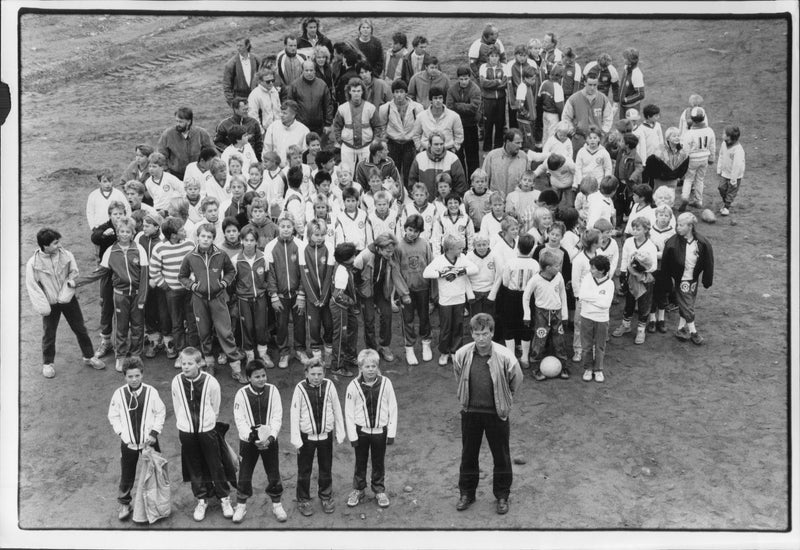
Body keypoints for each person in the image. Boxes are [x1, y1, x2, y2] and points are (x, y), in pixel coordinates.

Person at [452, 313, 522, 515]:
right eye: (477, 334)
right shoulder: (462, 354)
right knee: (468, 455)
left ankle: (502, 496)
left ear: (492, 333)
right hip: (471, 412)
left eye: (485, 333)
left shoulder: (505, 356)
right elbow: (459, 375)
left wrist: (505, 399)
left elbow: (516, 379)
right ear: (472, 334)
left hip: (496, 414)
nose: (481, 338)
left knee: (501, 456)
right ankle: (467, 493)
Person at [26, 228, 106, 378]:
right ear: (45, 245)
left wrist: (66, 292)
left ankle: (89, 356)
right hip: (50, 303)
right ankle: (48, 363)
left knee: (80, 328)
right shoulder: (33, 263)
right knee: (49, 333)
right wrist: (43, 306)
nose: (59, 245)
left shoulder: (66, 255)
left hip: (68, 299)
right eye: (55, 243)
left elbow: (73, 273)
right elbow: (33, 286)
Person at [171, 346, 234, 522]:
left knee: (216, 464)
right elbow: (177, 406)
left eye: (190, 363)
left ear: (199, 364)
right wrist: (185, 423)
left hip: (207, 430)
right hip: (187, 432)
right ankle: (201, 499)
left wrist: (208, 423)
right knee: (194, 466)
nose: (185, 367)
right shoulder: (176, 381)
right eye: (183, 363)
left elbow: (215, 406)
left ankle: (224, 498)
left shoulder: (211, 382)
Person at [178, 223, 245, 381]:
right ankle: (209, 363)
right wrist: (193, 286)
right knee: (204, 332)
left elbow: (231, 271)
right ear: (197, 237)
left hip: (218, 299)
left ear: (213, 238)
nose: (206, 239)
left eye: (209, 237)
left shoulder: (220, 255)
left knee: (225, 332)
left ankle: (236, 367)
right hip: (199, 299)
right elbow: (182, 276)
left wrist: (223, 283)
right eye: (203, 236)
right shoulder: (190, 257)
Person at [107, 357, 166, 521]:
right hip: (129, 444)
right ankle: (125, 503)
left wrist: (154, 433)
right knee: (127, 473)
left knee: (155, 472)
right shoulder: (118, 394)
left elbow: (160, 412)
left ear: (142, 375)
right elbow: (113, 416)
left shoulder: (151, 392)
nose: (134, 380)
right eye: (130, 376)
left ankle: (157, 503)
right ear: (124, 376)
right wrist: (122, 434)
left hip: (150, 442)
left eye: (137, 376)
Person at [231, 359, 287, 524]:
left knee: (273, 472)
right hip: (249, 443)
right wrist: (252, 438)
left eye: (263, 375)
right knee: (244, 473)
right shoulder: (241, 394)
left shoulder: (273, 390)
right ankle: (241, 505)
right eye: (257, 376)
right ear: (248, 378)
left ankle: (277, 504)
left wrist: (270, 438)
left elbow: (277, 416)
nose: (262, 379)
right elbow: (239, 420)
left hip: (269, 442)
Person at [290, 359, 346, 516]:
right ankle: (303, 499)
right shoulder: (300, 388)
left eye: (319, 374)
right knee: (304, 470)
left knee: (326, 468)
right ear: (306, 373)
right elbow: (294, 415)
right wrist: (296, 439)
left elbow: (337, 408)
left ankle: (326, 496)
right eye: (313, 374)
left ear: (324, 373)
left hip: (325, 437)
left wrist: (340, 432)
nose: (316, 377)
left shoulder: (329, 385)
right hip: (306, 438)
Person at [344, 349, 398, 509]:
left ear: (377, 366)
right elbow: (349, 412)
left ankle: (379, 489)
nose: (371, 369)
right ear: (360, 367)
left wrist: (391, 432)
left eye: (373, 366)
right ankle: (358, 489)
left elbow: (393, 408)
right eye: (367, 366)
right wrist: (352, 435)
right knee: (360, 461)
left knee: (378, 461)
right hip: (361, 432)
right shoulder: (353, 386)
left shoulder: (386, 383)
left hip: (380, 432)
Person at [149, 216, 198, 368]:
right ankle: (181, 354)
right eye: (181, 230)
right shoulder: (160, 249)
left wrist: (192, 282)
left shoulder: (190, 244)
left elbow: (196, 265)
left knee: (192, 322)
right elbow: (154, 271)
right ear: (173, 235)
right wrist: (166, 286)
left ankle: (194, 353)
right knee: (176, 324)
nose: (184, 231)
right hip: (172, 293)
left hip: (189, 291)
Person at [354, 233, 410, 361]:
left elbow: (396, 274)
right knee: (369, 319)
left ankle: (384, 346)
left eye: (392, 251)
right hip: (366, 289)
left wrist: (404, 294)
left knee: (387, 315)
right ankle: (371, 350)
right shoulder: (365, 255)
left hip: (382, 289)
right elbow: (355, 272)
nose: (390, 254)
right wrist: (360, 288)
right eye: (387, 251)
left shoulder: (391, 255)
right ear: (379, 248)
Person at [423, 235, 478, 366]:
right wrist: (442, 274)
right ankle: (444, 352)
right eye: (459, 248)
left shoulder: (462, 259)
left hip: (459, 299)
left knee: (458, 326)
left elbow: (475, 269)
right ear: (450, 249)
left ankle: (455, 351)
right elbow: (426, 273)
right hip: (445, 301)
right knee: (446, 327)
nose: (462, 250)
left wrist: (459, 271)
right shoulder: (439, 260)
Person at [661, 212, 714, 345]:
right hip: (681, 279)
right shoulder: (672, 243)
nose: (677, 227)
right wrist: (667, 281)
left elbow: (708, 261)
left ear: (690, 226)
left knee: (688, 304)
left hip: (693, 279)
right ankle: (693, 332)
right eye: (677, 224)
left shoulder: (701, 242)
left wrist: (707, 279)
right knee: (687, 305)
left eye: (681, 225)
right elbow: (665, 265)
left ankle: (680, 328)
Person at [266, 212, 310, 369]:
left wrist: (302, 294)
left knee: (299, 323)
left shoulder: (301, 245)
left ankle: (300, 350)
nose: (285, 229)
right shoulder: (270, 247)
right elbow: (270, 273)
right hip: (280, 295)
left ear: (293, 228)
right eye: (282, 226)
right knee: (281, 324)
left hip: (297, 294)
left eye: (288, 226)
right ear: (278, 227)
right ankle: (284, 352)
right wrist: (273, 295)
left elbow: (305, 273)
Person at [488, 233, 538, 363]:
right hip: (528, 298)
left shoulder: (510, 263)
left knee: (509, 324)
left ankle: (511, 357)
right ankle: (525, 358)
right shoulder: (535, 264)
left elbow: (505, 282)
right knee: (526, 324)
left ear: (517, 247)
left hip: (511, 296)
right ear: (532, 248)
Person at [522, 249, 569, 379]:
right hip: (541, 314)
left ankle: (563, 365)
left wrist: (564, 314)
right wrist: (527, 314)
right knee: (539, 340)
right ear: (548, 268)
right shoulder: (536, 279)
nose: (559, 268)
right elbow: (526, 296)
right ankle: (536, 367)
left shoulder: (558, 276)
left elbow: (562, 294)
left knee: (559, 339)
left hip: (557, 313)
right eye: (557, 266)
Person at [612, 217, 658, 345]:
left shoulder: (651, 246)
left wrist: (641, 266)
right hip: (631, 277)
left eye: (639, 229)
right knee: (629, 302)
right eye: (634, 228)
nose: (635, 231)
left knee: (644, 304)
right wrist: (622, 273)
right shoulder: (628, 242)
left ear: (646, 230)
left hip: (644, 278)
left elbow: (653, 265)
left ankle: (641, 330)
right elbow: (625, 258)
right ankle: (626, 325)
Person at [380, 79, 425, 187]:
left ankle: (409, 193)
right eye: (396, 92)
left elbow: (421, 127)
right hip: (393, 143)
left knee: (410, 173)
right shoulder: (385, 108)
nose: (399, 95)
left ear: (406, 92)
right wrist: (383, 143)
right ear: (393, 93)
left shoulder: (417, 108)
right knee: (391, 172)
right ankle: (393, 194)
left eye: (401, 92)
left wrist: (419, 145)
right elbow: (382, 126)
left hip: (410, 144)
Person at [577, 254, 614, 382]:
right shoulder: (587, 278)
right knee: (586, 345)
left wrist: (590, 298)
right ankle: (588, 368)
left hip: (602, 319)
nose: (590, 270)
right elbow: (582, 295)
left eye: (593, 268)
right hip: (586, 316)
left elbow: (605, 304)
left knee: (600, 345)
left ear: (602, 270)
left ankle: (598, 369)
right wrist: (598, 298)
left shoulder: (610, 284)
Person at [333, 78, 382, 172]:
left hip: (366, 146)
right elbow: (337, 126)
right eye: (354, 91)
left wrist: (373, 143)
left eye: (359, 91)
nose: (356, 93)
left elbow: (377, 127)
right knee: (347, 172)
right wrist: (340, 141)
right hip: (348, 146)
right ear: (349, 92)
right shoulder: (342, 108)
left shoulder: (370, 108)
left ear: (363, 91)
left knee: (368, 172)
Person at [562, 70, 614, 156]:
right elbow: (566, 117)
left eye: (595, 85)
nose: (592, 88)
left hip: (597, 139)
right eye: (590, 85)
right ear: (585, 83)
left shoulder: (603, 99)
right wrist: (572, 131)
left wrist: (603, 132)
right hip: (579, 138)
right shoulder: (574, 99)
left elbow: (608, 117)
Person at [157, 106, 214, 180]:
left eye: (181, 122)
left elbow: (211, 153)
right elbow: (161, 156)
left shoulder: (201, 133)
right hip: (175, 175)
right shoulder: (168, 134)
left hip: (198, 174)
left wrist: (205, 169)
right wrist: (166, 171)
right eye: (176, 121)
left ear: (189, 121)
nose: (178, 124)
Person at [447, 66, 482, 178]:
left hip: (471, 126)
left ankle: (474, 180)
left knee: (472, 155)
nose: (463, 81)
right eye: (461, 79)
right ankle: (461, 180)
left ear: (469, 78)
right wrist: (464, 106)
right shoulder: (452, 89)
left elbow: (473, 108)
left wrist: (458, 105)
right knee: (458, 155)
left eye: (466, 79)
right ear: (458, 78)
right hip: (456, 127)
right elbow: (449, 107)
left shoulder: (475, 89)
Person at [408, 131, 468, 198]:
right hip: (425, 204)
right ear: (430, 144)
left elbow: (460, 185)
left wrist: (452, 202)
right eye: (436, 144)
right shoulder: (419, 158)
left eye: (441, 144)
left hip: (447, 204)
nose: (439, 147)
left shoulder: (453, 158)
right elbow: (412, 184)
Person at [286, 59, 334, 138]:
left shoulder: (322, 85)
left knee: (317, 148)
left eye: (311, 70)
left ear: (315, 71)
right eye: (306, 70)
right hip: (300, 126)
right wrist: (291, 122)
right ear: (302, 71)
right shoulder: (295, 85)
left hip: (319, 127)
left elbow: (328, 105)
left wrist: (328, 124)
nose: (309, 73)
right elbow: (290, 106)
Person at [680, 107, 716, 210]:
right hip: (704, 158)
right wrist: (712, 158)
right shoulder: (709, 131)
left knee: (688, 179)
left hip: (692, 159)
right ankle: (698, 200)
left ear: (692, 118)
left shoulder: (689, 133)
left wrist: (682, 161)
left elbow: (685, 150)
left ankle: (685, 197)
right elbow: (712, 146)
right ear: (704, 117)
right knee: (700, 179)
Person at [411, 86, 464, 154]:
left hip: (448, 151)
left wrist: (454, 149)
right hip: (426, 151)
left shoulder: (454, 116)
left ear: (443, 99)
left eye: (440, 98)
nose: (438, 101)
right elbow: (416, 135)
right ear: (431, 100)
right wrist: (420, 148)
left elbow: (459, 135)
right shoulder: (421, 116)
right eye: (435, 98)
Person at [481, 128, 529, 199]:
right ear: (508, 142)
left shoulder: (523, 157)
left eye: (521, 143)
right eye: (517, 143)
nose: (520, 146)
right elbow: (483, 180)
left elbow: (529, 180)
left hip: (516, 202)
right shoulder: (492, 156)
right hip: (496, 203)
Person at [478, 46, 508, 152]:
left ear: (499, 57)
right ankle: (487, 149)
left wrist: (491, 84)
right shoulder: (483, 67)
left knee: (500, 123)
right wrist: (497, 82)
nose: (494, 58)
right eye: (492, 56)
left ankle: (498, 148)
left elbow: (504, 84)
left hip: (500, 99)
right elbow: (483, 83)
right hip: (488, 100)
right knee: (488, 124)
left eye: (496, 56)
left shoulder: (504, 67)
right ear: (488, 57)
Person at [263, 100, 310, 167]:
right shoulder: (273, 127)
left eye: (285, 113)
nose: (281, 115)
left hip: (295, 170)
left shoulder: (304, 130)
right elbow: (267, 150)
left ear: (293, 115)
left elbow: (305, 154)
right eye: (281, 112)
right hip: (276, 170)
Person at [215, 97, 263, 161]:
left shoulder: (254, 123)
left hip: (250, 159)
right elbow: (217, 142)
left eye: (247, 109)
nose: (247, 111)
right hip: (232, 161)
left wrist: (259, 160)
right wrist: (232, 151)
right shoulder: (224, 125)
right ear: (236, 109)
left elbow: (259, 144)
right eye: (244, 109)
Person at [716, 125, 745, 216]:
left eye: (724, 133)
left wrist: (733, 179)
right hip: (725, 172)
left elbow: (737, 166)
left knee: (732, 191)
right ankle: (726, 202)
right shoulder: (724, 144)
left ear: (729, 137)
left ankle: (726, 207)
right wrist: (719, 168)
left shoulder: (738, 150)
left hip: (735, 175)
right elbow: (721, 155)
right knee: (721, 188)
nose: (722, 134)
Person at [223, 37, 261, 106]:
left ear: (247, 45)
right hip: (240, 101)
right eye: (237, 45)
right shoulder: (231, 64)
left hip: (257, 99)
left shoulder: (256, 60)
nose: (238, 48)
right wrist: (233, 104)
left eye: (241, 45)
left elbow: (263, 77)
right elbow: (227, 87)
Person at [248, 69, 282, 140]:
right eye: (268, 81)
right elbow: (253, 116)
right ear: (260, 82)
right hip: (264, 132)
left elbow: (279, 109)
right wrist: (262, 133)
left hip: (277, 129)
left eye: (272, 80)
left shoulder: (274, 91)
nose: (271, 83)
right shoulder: (254, 95)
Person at [618, 48, 645, 117]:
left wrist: (625, 100)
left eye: (625, 58)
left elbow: (641, 94)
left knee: (630, 127)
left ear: (630, 61)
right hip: (623, 106)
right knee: (622, 127)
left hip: (631, 108)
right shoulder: (626, 67)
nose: (623, 59)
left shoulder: (636, 73)